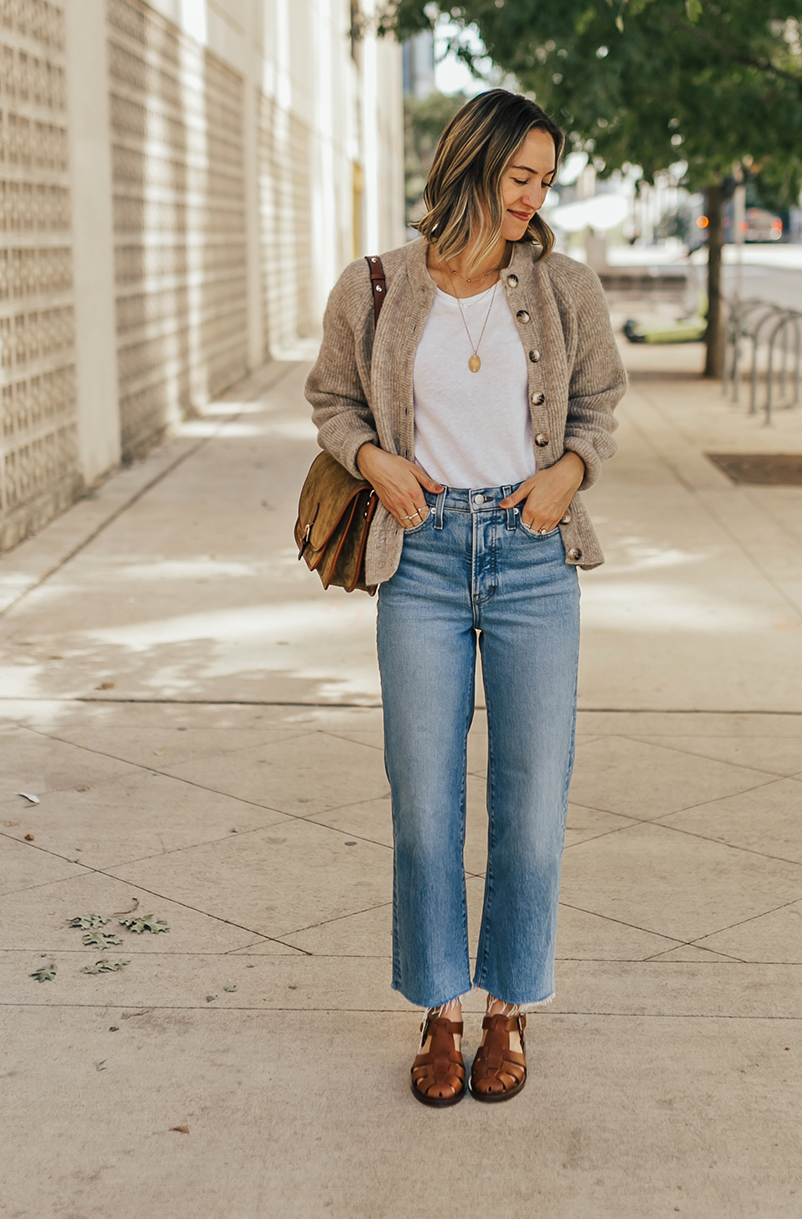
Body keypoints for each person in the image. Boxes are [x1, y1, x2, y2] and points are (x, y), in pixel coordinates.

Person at [306, 90, 626, 1106]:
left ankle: (510, 1010)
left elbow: (601, 404)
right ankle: (441, 1010)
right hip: (424, 558)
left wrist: (569, 474)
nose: (533, 196)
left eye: (543, 178)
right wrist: (372, 461)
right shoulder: (376, 284)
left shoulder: (565, 286)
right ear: (471, 168)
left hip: (533, 555)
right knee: (422, 798)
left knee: (531, 802)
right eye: (519, 175)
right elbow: (332, 397)